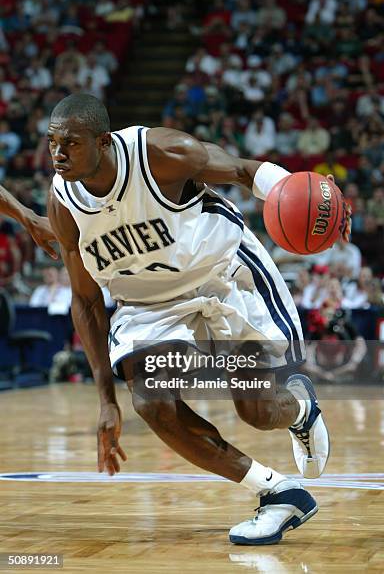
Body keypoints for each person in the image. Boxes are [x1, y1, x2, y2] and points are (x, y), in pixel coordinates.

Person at [47, 93, 350, 546]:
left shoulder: (161, 154)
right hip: (150, 305)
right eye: (52, 142)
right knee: (150, 400)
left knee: (258, 411)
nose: (57, 154)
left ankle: (300, 408)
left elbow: (247, 171)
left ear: (103, 142)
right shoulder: (64, 202)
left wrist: (312, 195)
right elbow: (87, 302)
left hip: (221, 276)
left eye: (70, 143)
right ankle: (277, 492)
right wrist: (106, 400)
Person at [0, 184, 57, 258]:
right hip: (17, 231)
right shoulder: (18, 202)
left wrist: (32, 221)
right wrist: (33, 220)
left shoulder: (36, 205)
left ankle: (29, 262)